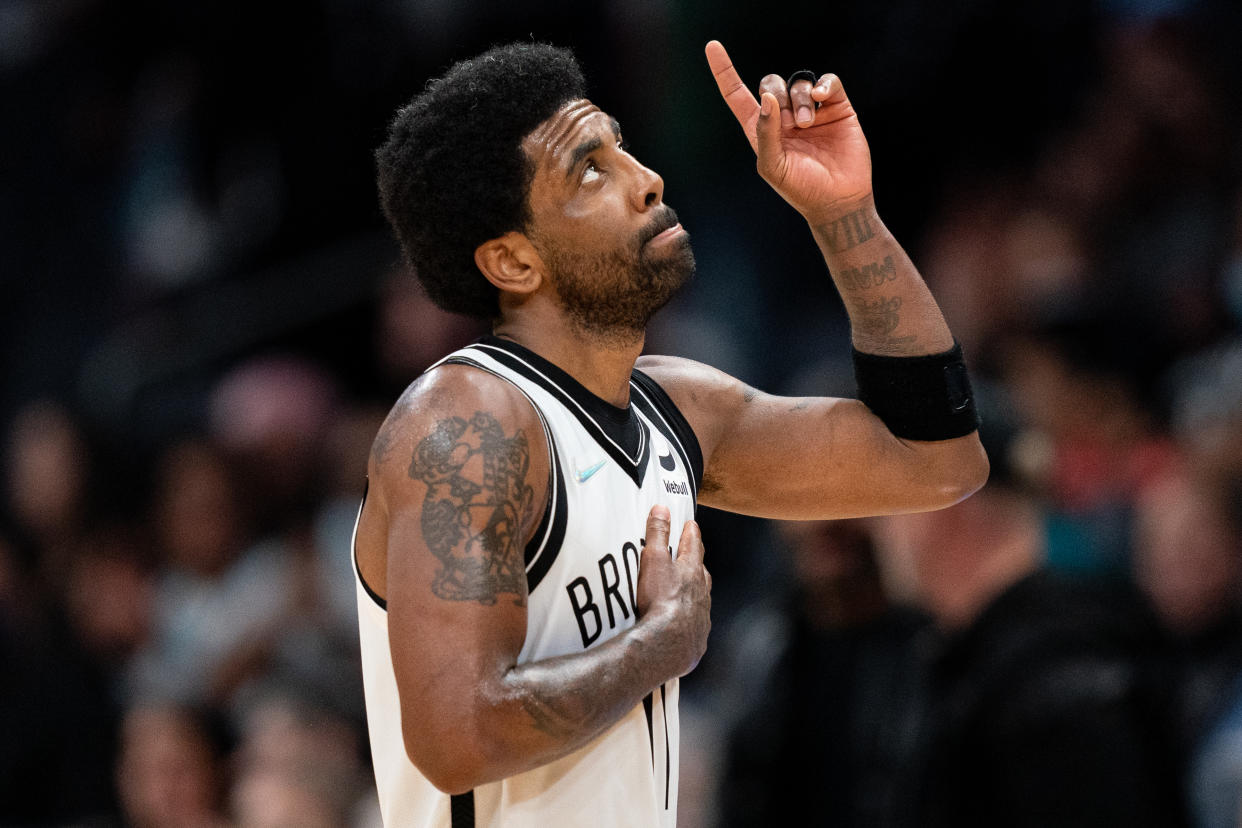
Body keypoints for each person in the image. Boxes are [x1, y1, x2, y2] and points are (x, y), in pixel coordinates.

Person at [354, 40, 988, 827]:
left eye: (621, 146)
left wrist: (843, 215)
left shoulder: (675, 409)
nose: (645, 177)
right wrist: (662, 642)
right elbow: (457, 735)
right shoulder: (467, 425)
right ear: (513, 262)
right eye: (590, 169)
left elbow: (936, 461)